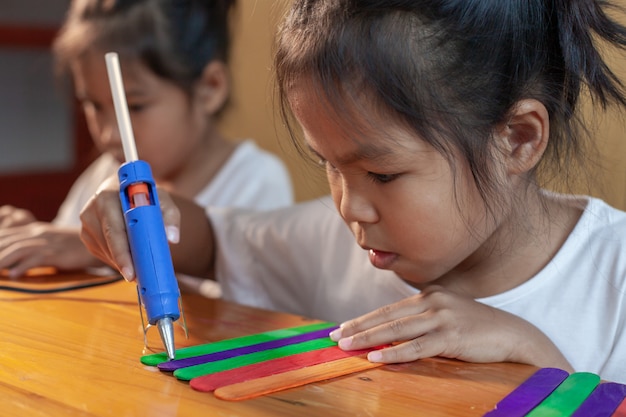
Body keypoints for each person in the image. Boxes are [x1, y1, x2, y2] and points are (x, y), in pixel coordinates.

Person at [79, 0, 626, 383]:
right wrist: (132, 215)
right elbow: (211, 241)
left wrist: (535, 355)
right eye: (329, 165)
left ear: (516, 139)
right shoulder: (336, 244)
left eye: (383, 174)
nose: (348, 205)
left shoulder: (614, 278)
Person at [0, 0, 293, 292]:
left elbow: (246, 310)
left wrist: (90, 250)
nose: (109, 135)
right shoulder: (107, 171)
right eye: (93, 105)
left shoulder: (257, 179)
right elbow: (61, 247)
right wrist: (30, 243)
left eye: (135, 106)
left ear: (210, 88)